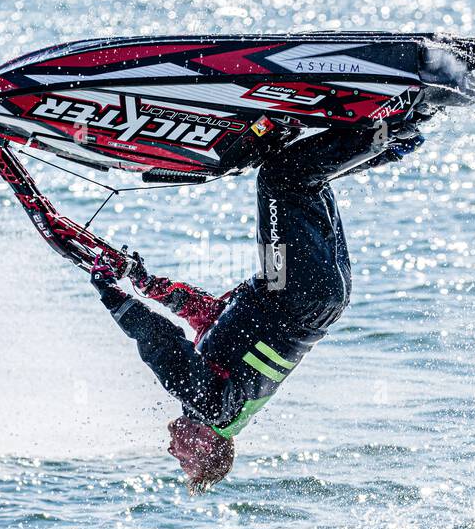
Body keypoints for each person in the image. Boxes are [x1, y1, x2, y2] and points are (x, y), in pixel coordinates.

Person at [89, 114, 430, 492]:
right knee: (282, 178)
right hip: (292, 293)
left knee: (303, 180)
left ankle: (393, 140)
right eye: (184, 460)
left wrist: (147, 284)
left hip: (313, 297)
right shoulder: (212, 408)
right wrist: (111, 294)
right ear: (206, 446)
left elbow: (208, 316)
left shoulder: (221, 402)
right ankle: (387, 131)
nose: (172, 451)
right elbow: (158, 342)